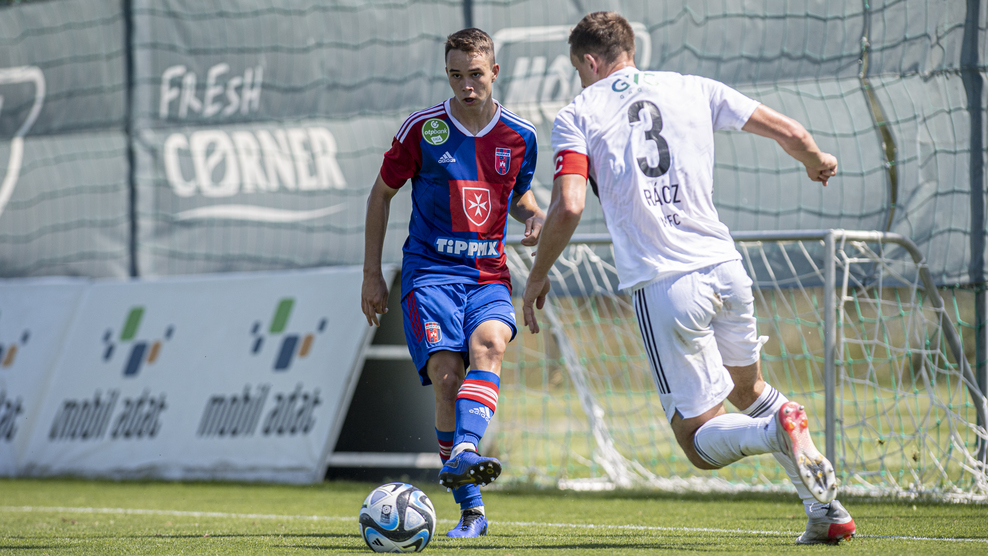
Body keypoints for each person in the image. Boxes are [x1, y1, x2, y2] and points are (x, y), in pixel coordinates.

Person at [520, 12, 855, 545]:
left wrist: (538, 274)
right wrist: (816, 159)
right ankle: (827, 510)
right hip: (726, 270)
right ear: (629, 50)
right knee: (749, 390)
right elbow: (789, 131)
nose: (580, 80)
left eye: (579, 71)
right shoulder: (693, 87)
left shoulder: (578, 113)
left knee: (697, 442)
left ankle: (776, 430)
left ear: (590, 61)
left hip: (666, 285)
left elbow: (570, 204)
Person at [361, 27, 544, 538]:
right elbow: (380, 195)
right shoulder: (422, 130)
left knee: (490, 346)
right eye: (456, 75)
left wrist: (534, 215)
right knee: (446, 380)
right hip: (430, 274)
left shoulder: (520, 136)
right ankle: (472, 509)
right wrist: (372, 273)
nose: (466, 85)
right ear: (447, 74)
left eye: (476, 75)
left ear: (494, 72)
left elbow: (518, 194)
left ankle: (464, 450)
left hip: (487, 274)